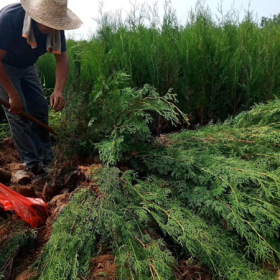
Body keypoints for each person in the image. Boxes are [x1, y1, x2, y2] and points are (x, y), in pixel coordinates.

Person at [0, 0, 82, 175]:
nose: (55, 28)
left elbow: (62, 59)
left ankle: (47, 159)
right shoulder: (9, 19)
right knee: (17, 114)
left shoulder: (56, 28)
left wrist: (59, 90)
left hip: (27, 66)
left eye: (57, 23)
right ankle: (33, 166)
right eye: (51, 22)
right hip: (4, 66)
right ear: (38, 15)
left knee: (39, 109)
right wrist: (12, 94)